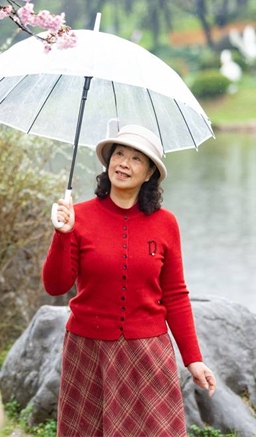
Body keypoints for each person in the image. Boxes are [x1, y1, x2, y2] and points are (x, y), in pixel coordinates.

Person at [43, 124, 216, 437]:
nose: (123, 163)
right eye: (118, 154)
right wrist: (62, 234)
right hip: (88, 350)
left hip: (148, 353)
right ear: (107, 162)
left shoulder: (166, 224)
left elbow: (175, 295)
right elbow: (55, 286)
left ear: (150, 173)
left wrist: (194, 360)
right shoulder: (77, 216)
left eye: (136, 159)